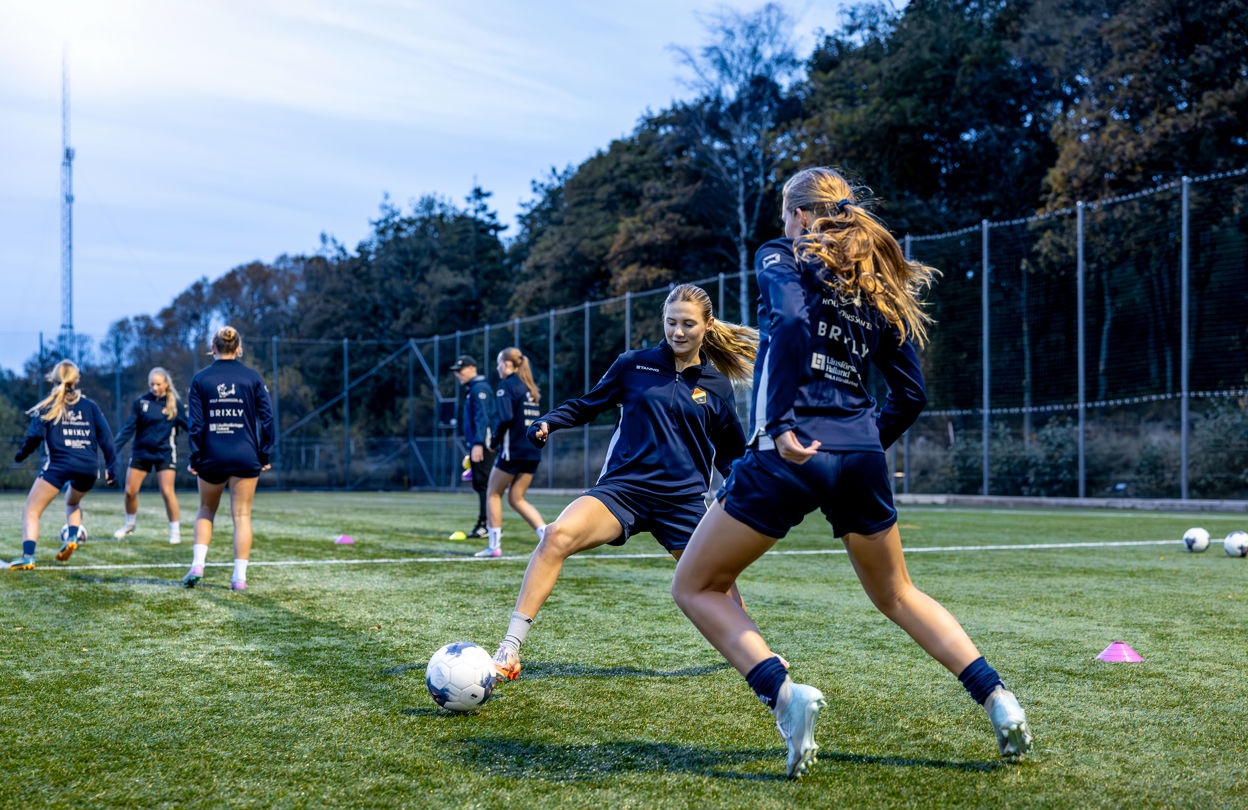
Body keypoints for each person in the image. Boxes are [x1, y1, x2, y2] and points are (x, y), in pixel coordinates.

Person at [671, 167, 1032, 779]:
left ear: (800, 216)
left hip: (788, 454)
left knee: (695, 585)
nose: (785, 227)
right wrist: (862, 444)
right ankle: (998, 698)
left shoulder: (782, 254)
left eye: (787, 216)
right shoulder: (873, 281)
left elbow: (785, 324)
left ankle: (784, 694)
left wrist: (783, 423)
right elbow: (910, 394)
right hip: (860, 455)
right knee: (898, 594)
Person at [490, 283, 757, 681]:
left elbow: (732, 452)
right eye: (670, 323)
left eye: (687, 324)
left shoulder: (717, 385)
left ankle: (759, 658)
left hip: (682, 503)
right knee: (556, 536)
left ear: (707, 325)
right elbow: (587, 404)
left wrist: (752, 492)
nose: (677, 332)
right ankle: (509, 647)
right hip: (622, 491)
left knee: (718, 588)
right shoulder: (633, 365)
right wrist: (549, 421)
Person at [181, 327, 275, 591]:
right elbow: (267, 419)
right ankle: (238, 579)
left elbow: (196, 424)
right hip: (246, 457)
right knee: (242, 515)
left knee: (205, 510)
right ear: (239, 348)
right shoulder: (252, 377)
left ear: (213, 348)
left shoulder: (200, 379)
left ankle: (198, 564)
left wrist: (195, 457)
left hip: (211, 456)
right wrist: (263, 453)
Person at [9, 360, 118, 569]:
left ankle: (28, 556)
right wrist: (111, 466)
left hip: (59, 465)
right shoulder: (91, 406)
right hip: (88, 467)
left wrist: (21, 456)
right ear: (77, 380)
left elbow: (34, 437)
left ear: (53, 378)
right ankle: (72, 538)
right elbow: (106, 438)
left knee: (31, 510)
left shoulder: (47, 405)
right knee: (72, 502)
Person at [477, 347, 547, 558]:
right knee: (516, 498)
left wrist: (494, 442)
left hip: (513, 451)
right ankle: (547, 536)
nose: (497, 368)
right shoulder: (530, 387)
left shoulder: (506, 385)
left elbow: (506, 418)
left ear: (507, 364)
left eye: (499, 363)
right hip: (532, 452)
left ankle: (494, 546)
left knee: (493, 493)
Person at [111, 367, 188, 544]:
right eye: (151, 384)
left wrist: (202, 448)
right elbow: (128, 429)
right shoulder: (141, 402)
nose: (154, 387)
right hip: (141, 452)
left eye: (158, 384)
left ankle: (175, 532)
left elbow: (190, 428)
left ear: (166, 384)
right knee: (130, 491)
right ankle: (130, 524)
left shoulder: (174, 403)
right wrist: (111, 450)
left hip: (164, 453)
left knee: (167, 492)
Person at [449, 356, 497, 541]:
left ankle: (485, 525)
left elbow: (482, 417)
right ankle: (487, 524)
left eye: (460, 370)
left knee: (485, 485)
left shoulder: (480, 388)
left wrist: (478, 444)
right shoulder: (473, 389)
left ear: (472, 368)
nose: (457, 374)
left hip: (483, 445)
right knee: (481, 485)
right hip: (479, 444)